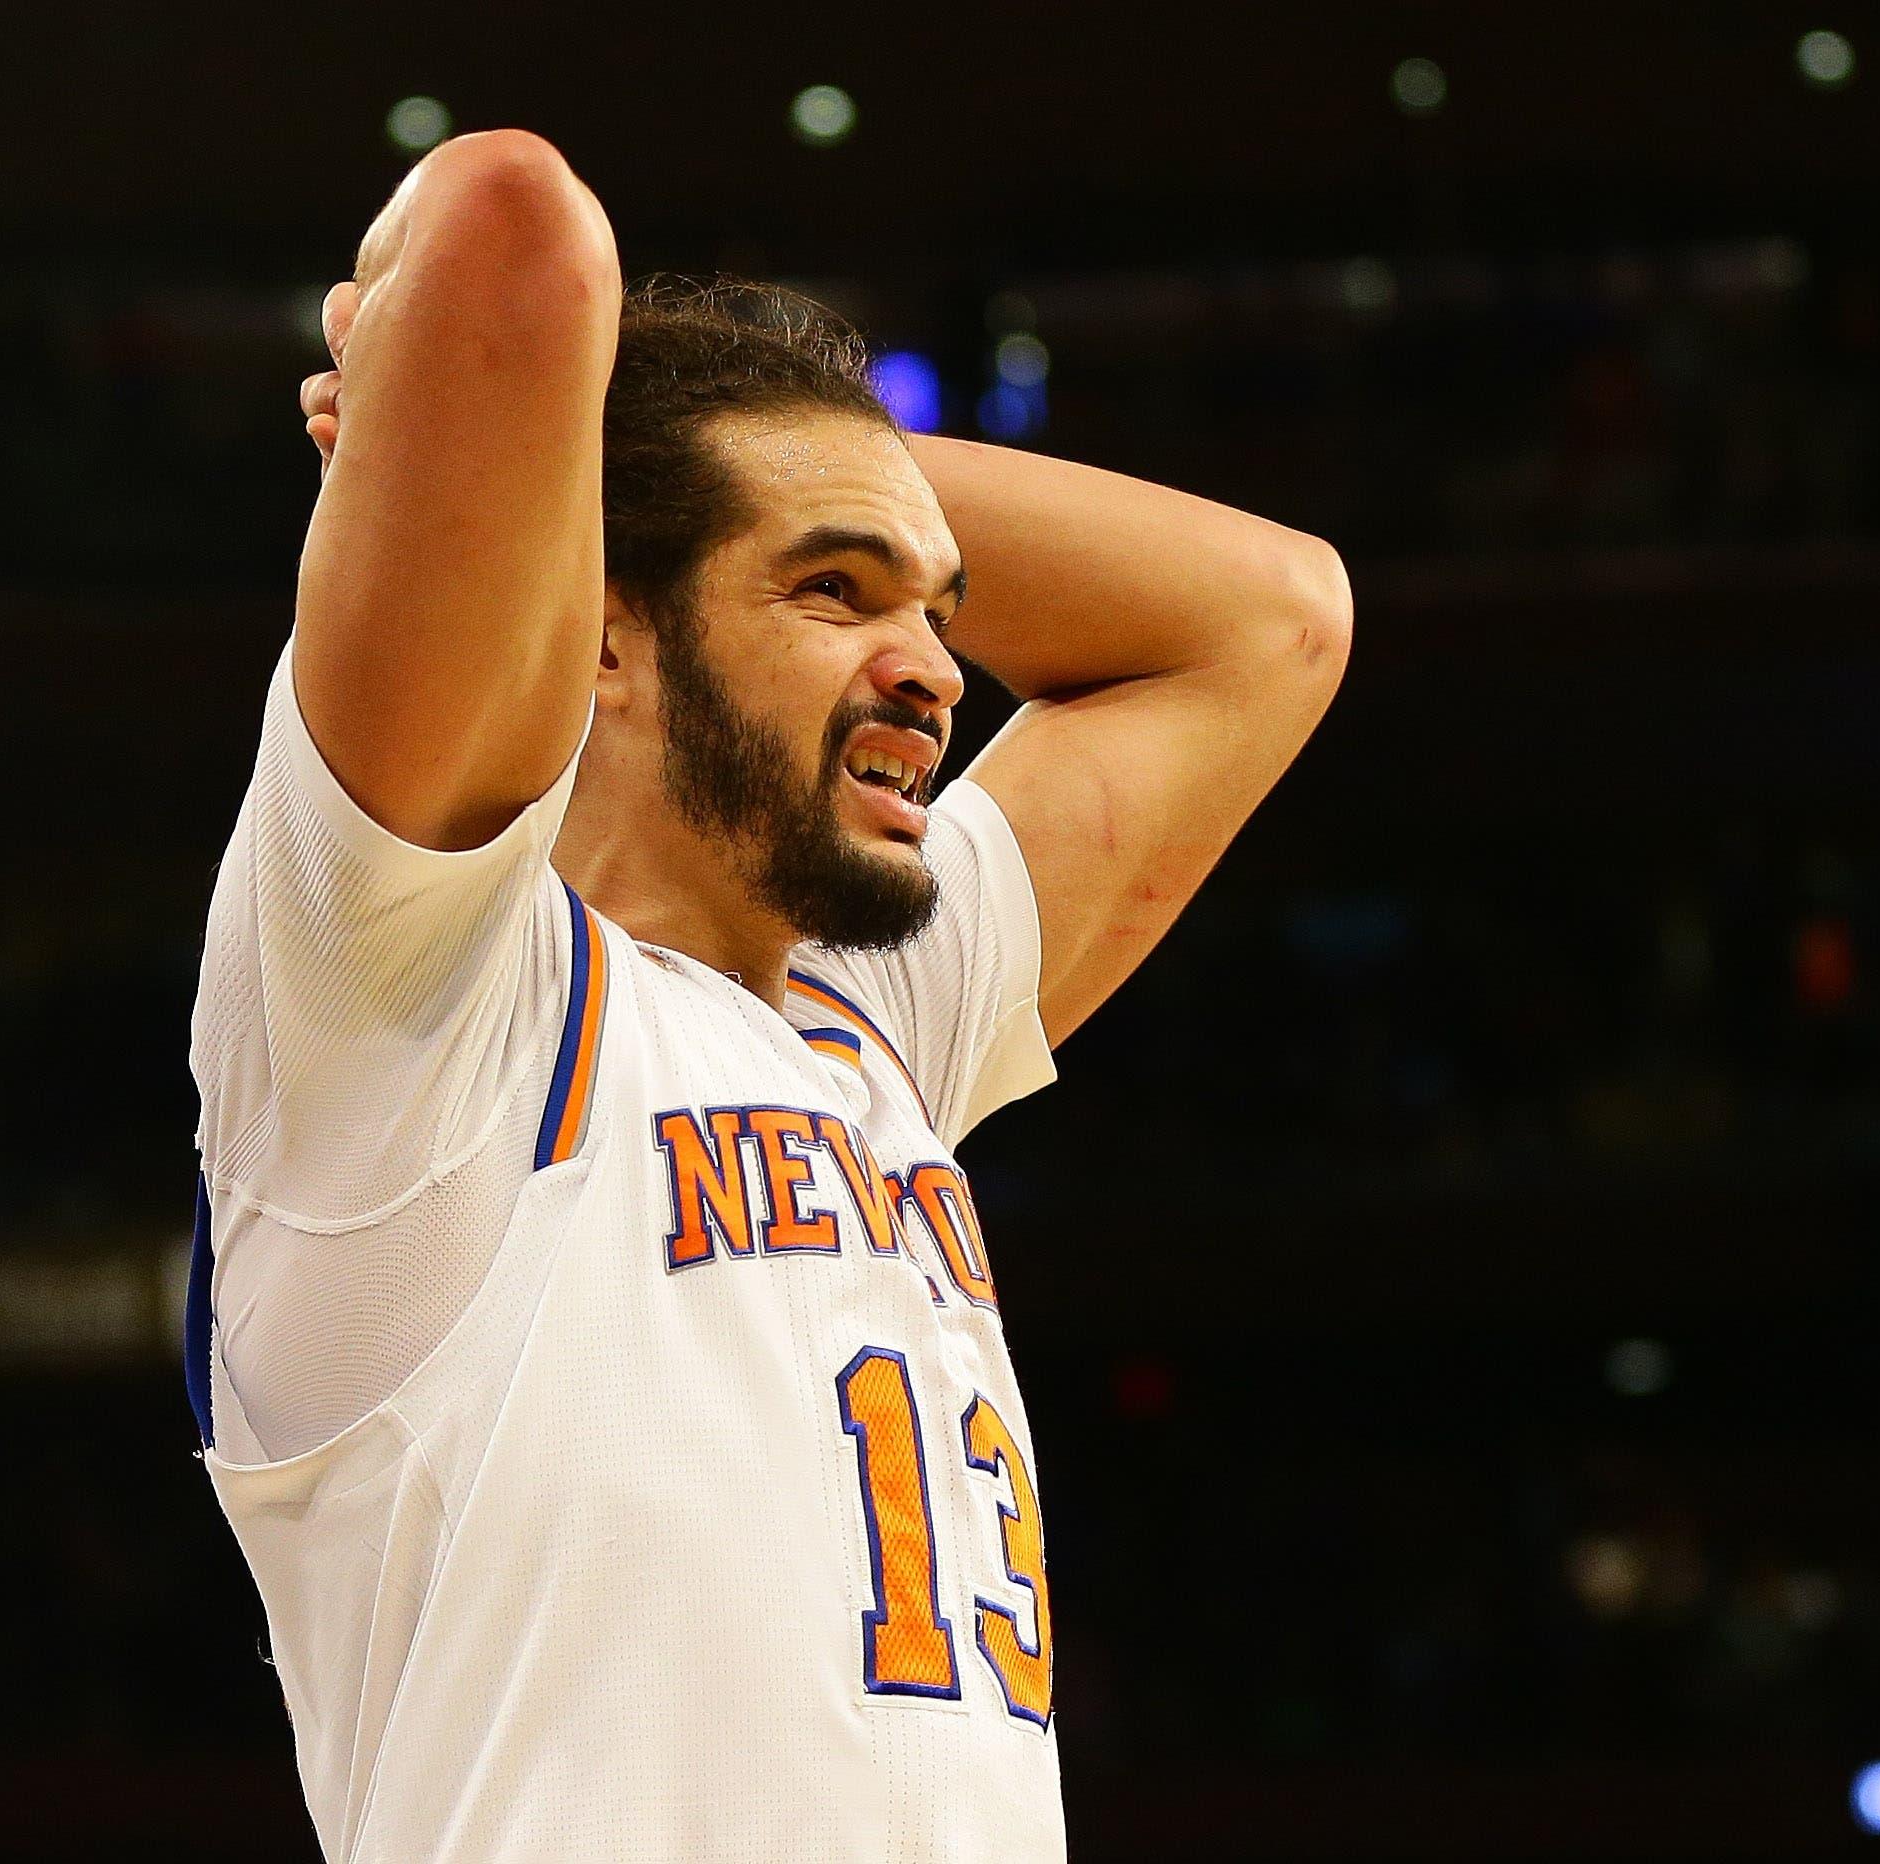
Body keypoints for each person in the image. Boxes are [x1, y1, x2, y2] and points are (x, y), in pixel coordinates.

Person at [186, 128, 1349, 1863]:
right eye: (833, 589)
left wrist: (733, 465)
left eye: (938, 604)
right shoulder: (414, 1006)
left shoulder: (877, 1010)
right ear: (601, 630)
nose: (938, 668)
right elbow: (513, 230)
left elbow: (1277, 615)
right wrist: (514, 446)